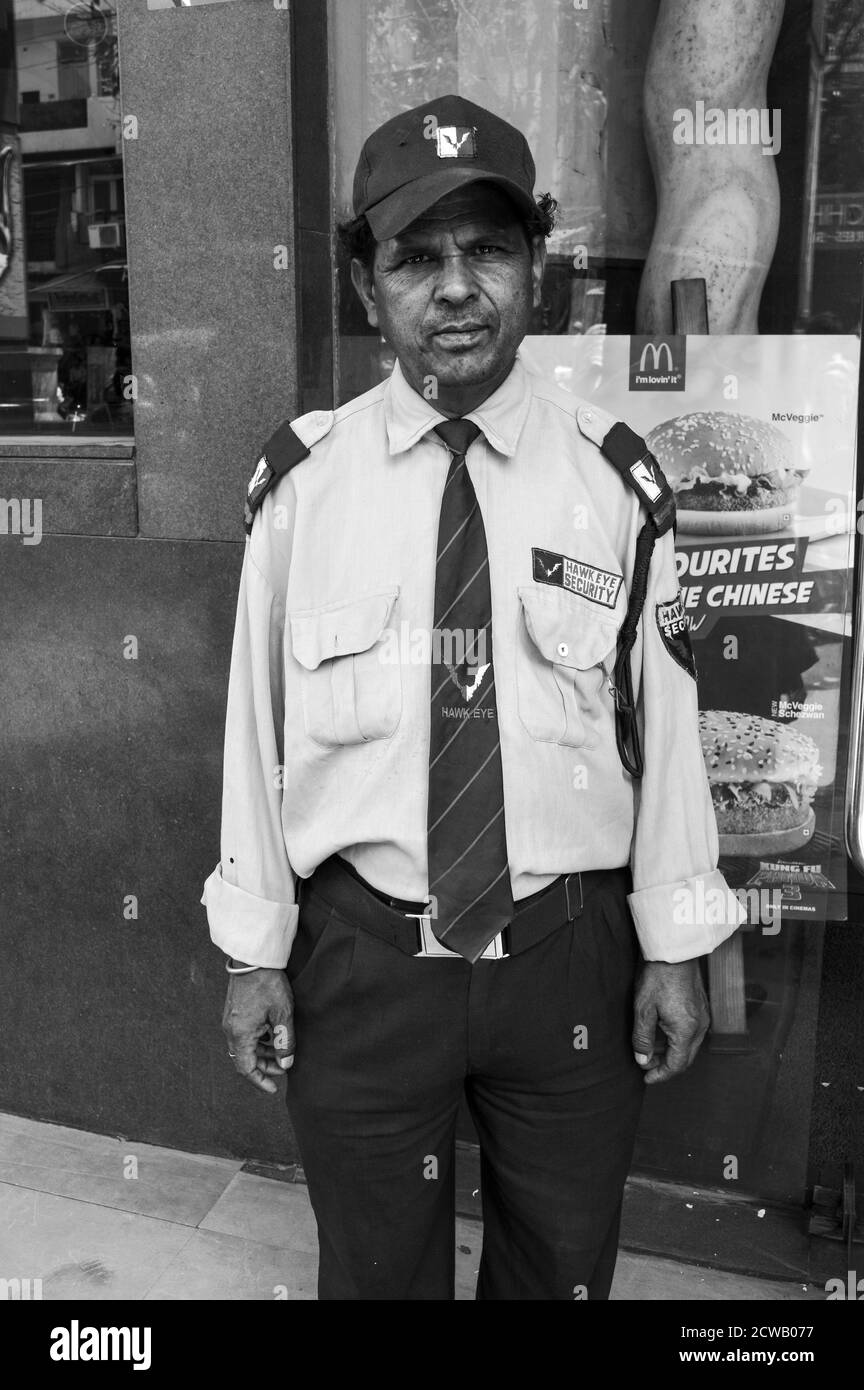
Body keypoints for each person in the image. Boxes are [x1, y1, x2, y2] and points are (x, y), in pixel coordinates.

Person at [202, 94, 744, 1301]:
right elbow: (255, 733)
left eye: (488, 250)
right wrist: (254, 949)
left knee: (560, 1274)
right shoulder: (301, 489)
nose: (457, 288)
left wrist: (676, 946)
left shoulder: (617, 482)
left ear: (534, 270)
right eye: (418, 257)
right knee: (378, 1277)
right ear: (365, 286)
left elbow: (666, 726)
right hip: (361, 962)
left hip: (567, 956)